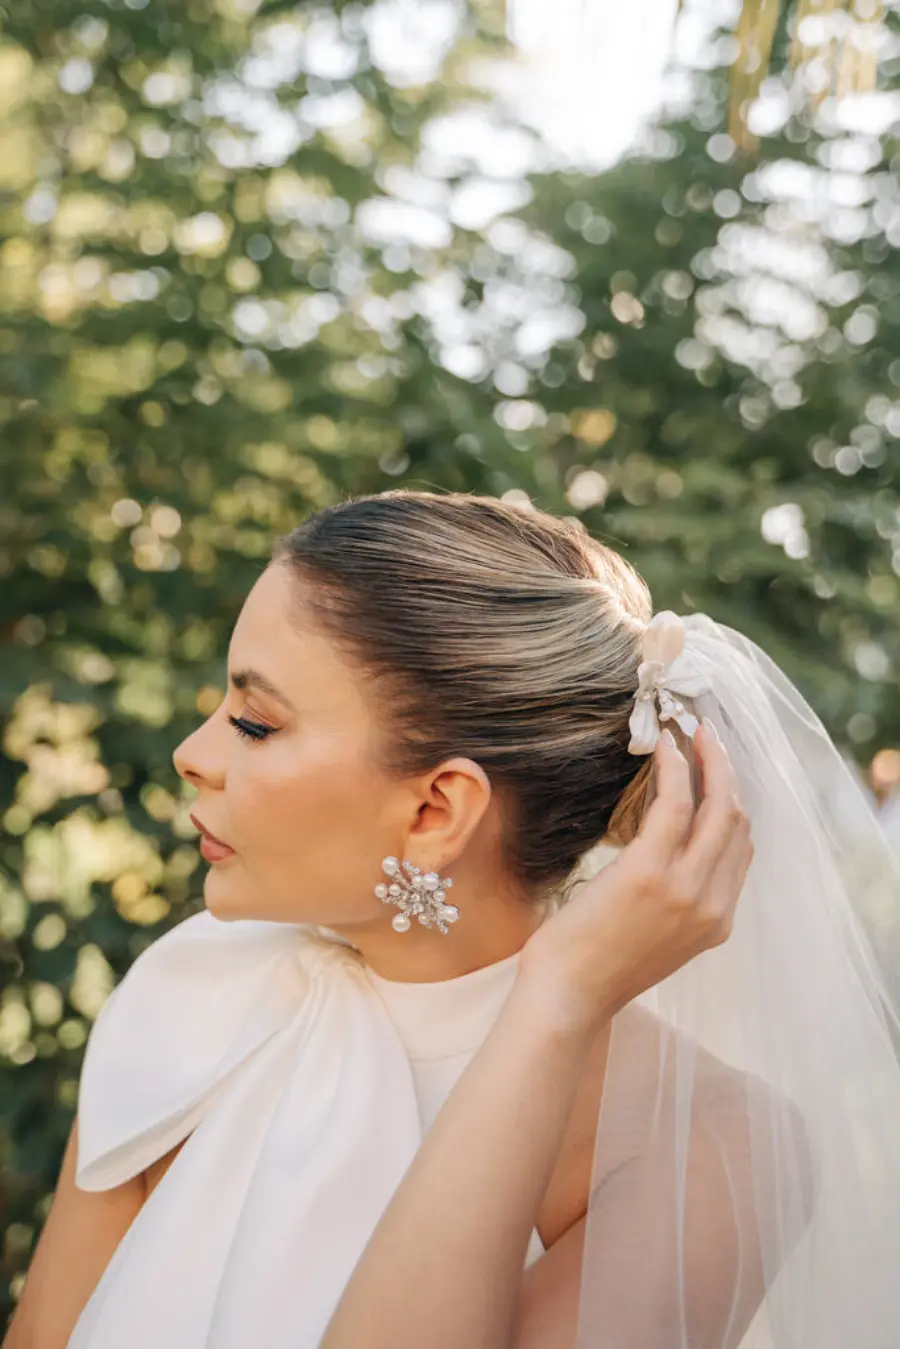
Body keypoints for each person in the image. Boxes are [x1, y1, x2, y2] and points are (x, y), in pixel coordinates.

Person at [6, 490, 900, 1349]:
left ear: (437, 811)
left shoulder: (715, 1145)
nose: (192, 754)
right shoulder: (200, 982)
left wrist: (555, 1002)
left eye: (253, 722)